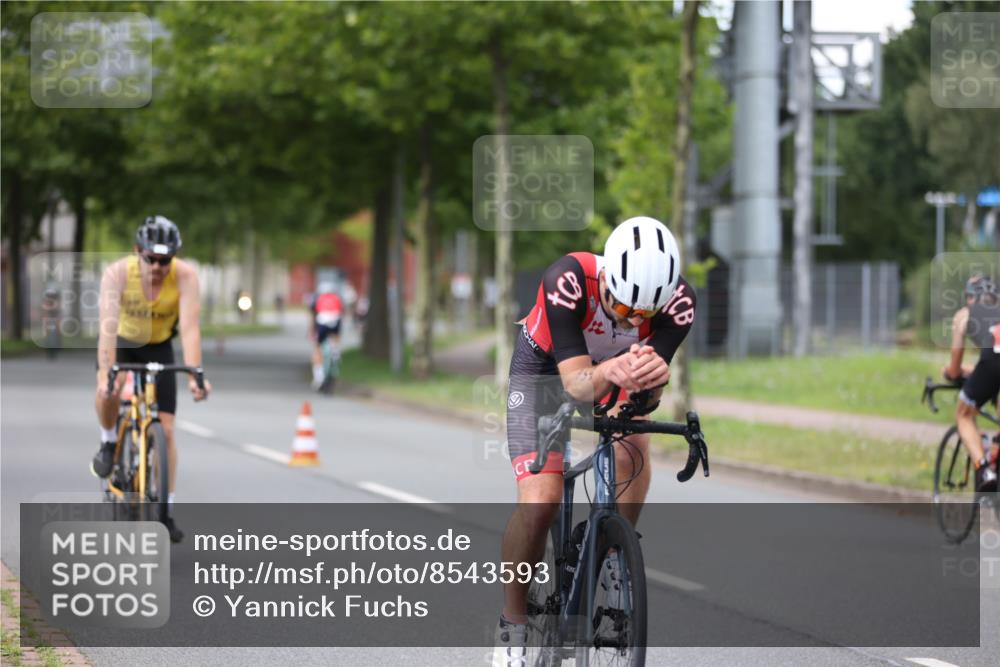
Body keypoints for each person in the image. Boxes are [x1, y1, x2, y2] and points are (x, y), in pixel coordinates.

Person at [492, 216, 696, 666]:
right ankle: (513, 624)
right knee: (541, 500)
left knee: (634, 448)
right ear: (606, 278)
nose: (631, 319)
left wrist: (655, 384)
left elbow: (645, 399)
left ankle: (612, 553)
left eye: (644, 316)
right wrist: (611, 371)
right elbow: (579, 385)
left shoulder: (679, 304)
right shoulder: (567, 280)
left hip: (614, 369)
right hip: (548, 370)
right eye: (623, 308)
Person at [91, 216, 211, 542]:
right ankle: (107, 440)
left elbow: (189, 328)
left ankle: (166, 511)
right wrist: (106, 374)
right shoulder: (117, 274)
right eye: (151, 259)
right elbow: (107, 327)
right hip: (123, 341)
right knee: (108, 391)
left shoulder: (185, 276)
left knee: (167, 429)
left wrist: (195, 374)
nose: (158, 267)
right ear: (137, 251)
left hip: (158, 345)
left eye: (165, 260)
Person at [942, 274, 1000, 492]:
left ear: (970, 297)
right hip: (993, 366)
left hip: (992, 366)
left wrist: (952, 372)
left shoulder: (965, 315)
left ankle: (984, 469)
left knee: (964, 415)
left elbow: (955, 367)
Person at [309, 282, 344, 389]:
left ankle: (318, 376)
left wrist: (311, 331)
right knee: (335, 339)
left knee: (318, 347)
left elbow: (312, 316)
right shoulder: (337, 298)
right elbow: (341, 314)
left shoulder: (317, 299)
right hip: (336, 321)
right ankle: (336, 351)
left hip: (322, 322)